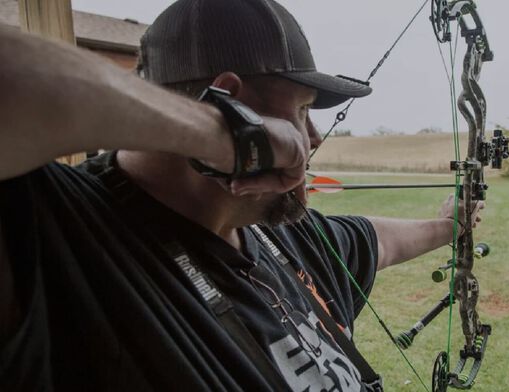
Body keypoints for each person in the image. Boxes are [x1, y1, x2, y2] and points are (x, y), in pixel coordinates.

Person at [0, 0, 482, 390]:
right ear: (232, 101)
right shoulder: (58, 233)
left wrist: (450, 225)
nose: (313, 137)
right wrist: (226, 136)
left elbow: (377, 240)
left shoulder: (282, 235)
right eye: (303, 109)